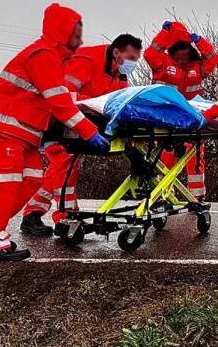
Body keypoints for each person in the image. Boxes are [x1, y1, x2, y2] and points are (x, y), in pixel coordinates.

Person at [0, 3, 110, 261]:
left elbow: (57, 99)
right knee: (7, 186)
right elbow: (59, 102)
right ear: (61, 32)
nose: (79, 40)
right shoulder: (42, 55)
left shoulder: (52, 59)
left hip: (23, 133)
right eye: (75, 34)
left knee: (32, 180)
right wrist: (90, 132)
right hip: (5, 128)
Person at [20, 34, 143, 236]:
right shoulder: (86, 61)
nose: (133, 64)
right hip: (53, 118)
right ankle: (66, 218)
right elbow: (61, 95)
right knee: (64, 163)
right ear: (116, 52)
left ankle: (33, 213)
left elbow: (119, 103)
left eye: (136, 59)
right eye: (131, 58)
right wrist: (95, 102)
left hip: (78, 122)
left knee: (61, 166)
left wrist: (131, 146)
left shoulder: (119, 73)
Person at [145, 20, 218, 199]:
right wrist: (164, 35)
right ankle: (164, 194)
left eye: (185, 54)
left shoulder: (197, 66)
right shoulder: (162, 62)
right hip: (166, 117)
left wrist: (200, 41)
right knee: (165, 158)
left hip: (192, 118)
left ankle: (197, 197)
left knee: (195, 158)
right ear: (172, 51)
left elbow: (213, 58)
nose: (182, 58)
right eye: (178, 54)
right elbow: (150, 53)